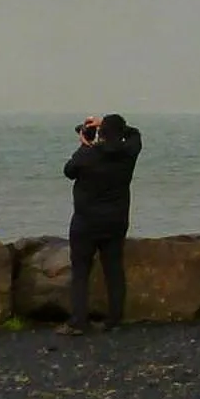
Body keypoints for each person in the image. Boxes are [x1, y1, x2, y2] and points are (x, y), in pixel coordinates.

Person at [60, 112, 142, 335]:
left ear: (101, 134)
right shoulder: (128, 154)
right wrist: (109, 127)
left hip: (86, 222)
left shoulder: (88, 155)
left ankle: (78, 321)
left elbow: (68, 171)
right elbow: (135, 134)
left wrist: (85, 145)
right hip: (116, 221)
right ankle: (114, 320)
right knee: (114, 270)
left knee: (80, 271)